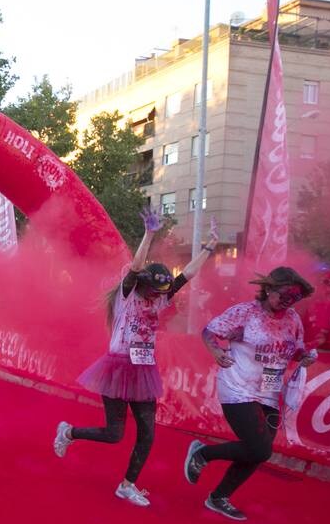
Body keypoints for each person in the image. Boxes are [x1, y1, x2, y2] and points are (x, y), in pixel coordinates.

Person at [53, 208, 218, 506]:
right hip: (117, 368)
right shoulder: (126, 295)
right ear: (143, 285)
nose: (158, 296)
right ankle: (70, 431)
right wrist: (149, 234)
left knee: (148, 434)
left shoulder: (161, 298)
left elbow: (187, 277)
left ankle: (127, 485)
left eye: (162, 292)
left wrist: (208, 247)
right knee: (114, 434)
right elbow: (134, 268)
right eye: (154, 290)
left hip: (144, 372)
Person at [184, 266, 317, 521]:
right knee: (260, 449)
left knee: (258, 451)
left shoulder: (292, 319)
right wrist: (216, 352)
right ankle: (203, 453)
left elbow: (295, 349)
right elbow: (209, 332)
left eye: (295, 299)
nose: (288, 303)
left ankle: (219, 497)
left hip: (269, 390)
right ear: (268, 289)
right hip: (237, 386)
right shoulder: (245, 312)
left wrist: (305, 357)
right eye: (284, 296)